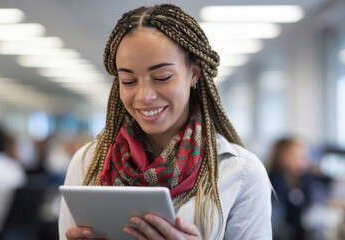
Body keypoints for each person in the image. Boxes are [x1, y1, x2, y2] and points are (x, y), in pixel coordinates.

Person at [59, 4, 272, 240]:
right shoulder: (88, 163)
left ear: (194, 74)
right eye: (128, 81)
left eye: (162, 77)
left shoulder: (240, 173)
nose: (144, 96)